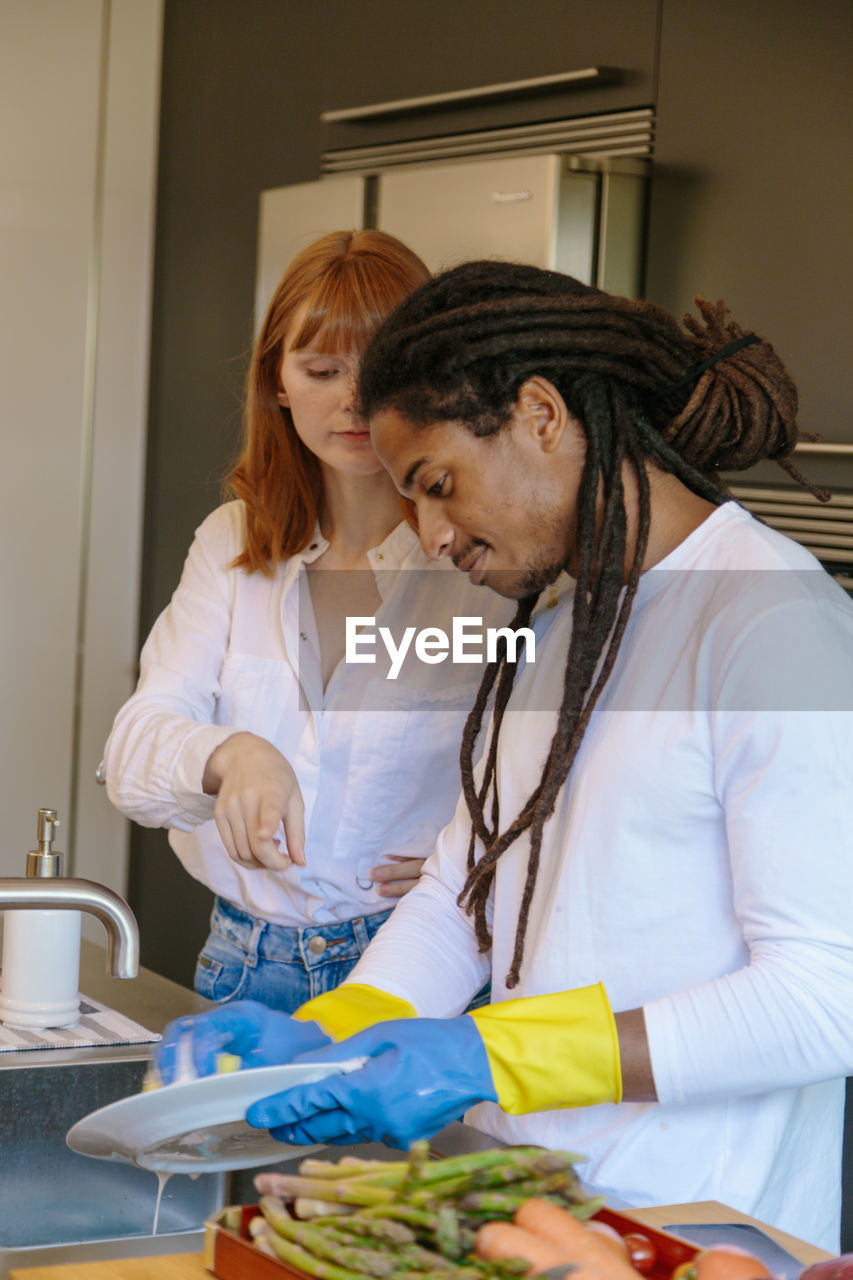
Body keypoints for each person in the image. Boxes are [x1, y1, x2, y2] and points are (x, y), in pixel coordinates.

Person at [152, 262, 853, 1250]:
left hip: (696, 1229)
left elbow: (827, 998)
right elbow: (460, 893)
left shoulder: (773, 623)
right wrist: (332, 1030)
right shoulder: (561, 625)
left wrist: (492, 1053)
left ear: (539, 415)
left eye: (438, 486)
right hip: (535, 1209)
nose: (434, 537)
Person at [103, 233, 509, 1013]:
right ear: (278, 385)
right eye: (321, 371)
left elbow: (551, 771)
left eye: (379, 369)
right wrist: (232, 754)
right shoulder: (233, 540)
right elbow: (133, 751)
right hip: (244, 967)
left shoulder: (481, 560)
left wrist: (475, 854)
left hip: (422, 962)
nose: (352, 400)